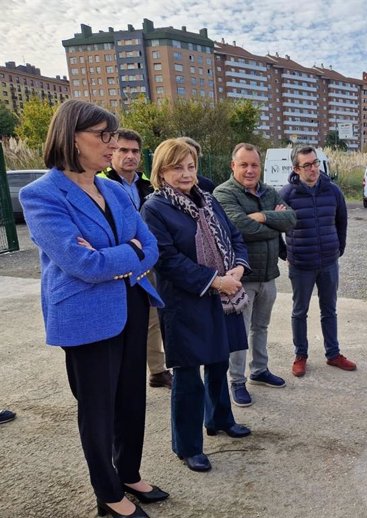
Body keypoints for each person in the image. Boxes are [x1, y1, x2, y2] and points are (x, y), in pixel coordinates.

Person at [19, 99, 167, 518]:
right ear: (71, 137)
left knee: (131, 399)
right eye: (102, 135)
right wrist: (128, 251)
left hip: (132, 304)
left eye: (113, 135)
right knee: (98, 409)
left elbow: (149, 246)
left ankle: (130, 472)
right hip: (85, 315)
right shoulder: (42, 195)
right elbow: (81, 263)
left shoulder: (116, 189)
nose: (112, 143)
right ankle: (108, 494)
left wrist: (119, 253)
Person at [141, 138, 251, 473]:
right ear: (161, 171)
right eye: (177, 167)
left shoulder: (208, 199)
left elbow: (234, 236)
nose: (186, 174)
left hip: (223, 298)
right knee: (188, 376)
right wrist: (215, 281)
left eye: (190, 166)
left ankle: (219, 419)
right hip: (185, 303)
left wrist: (239, 267)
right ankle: (187, 446)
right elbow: (167, 260)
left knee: (219, 362)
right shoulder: (154, 208)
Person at [214, 143, 296, 406]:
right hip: (241, 278)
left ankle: (259, 370)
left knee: (261, 327)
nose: (250, 170)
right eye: (244, 165)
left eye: (254, 165)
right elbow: (239, 227)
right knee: (240, 330)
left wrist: (260, 215)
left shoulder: (269, 192)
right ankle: (237, 380)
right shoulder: (223, 193)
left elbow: (292, 219)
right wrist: (274, 223)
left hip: (268, 275)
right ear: (233, 166)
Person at [103, 128, 172, 389]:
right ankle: (118, 375)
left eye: (134, 151)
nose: (130, 156)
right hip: (115, 264)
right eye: (123, 150)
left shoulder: (148, 184)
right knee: (119, 319)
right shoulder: (100, 183)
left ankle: (157, 370)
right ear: (112, 152)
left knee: (152, 317)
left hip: (148, 259)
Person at [279, 145, 356, 377]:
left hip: (328, 263)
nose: (313, 169)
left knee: (329, 310)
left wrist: (338, 248)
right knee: (299, 311)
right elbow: (274, 228)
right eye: (307, 165)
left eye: (316, 163)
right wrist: (287, 254)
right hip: (301, 264)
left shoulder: (333, 191)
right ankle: (300, 355)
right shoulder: (286, 194)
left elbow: (341, 221)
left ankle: (333, 354)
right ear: (296, 168)